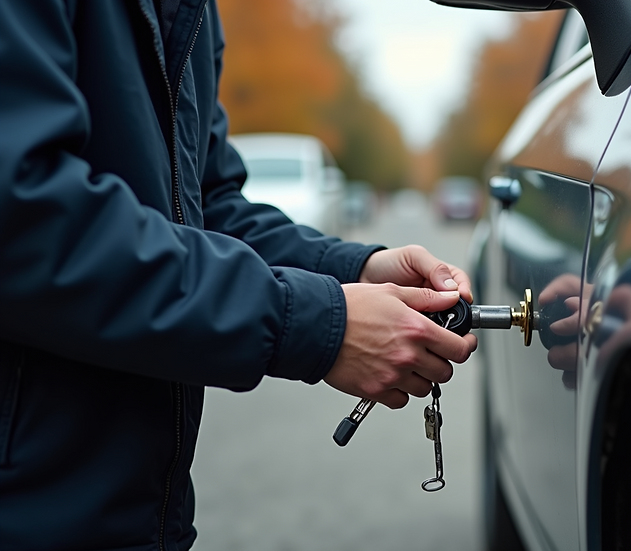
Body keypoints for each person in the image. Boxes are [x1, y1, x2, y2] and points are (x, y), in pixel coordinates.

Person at [0, 1, 477, 548]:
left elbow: (207, 204)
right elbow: (23, 216)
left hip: (137, 515)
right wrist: (321, 324)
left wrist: (356, 270)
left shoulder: (192, 9)